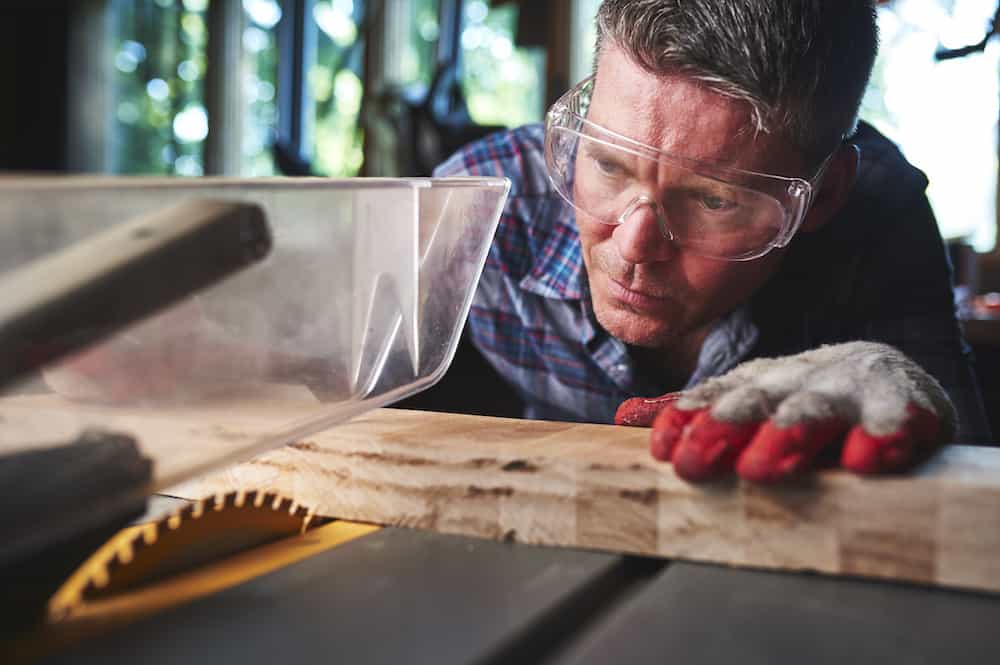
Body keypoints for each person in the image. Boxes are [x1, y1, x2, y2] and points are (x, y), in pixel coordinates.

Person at [433, 0, 993, 482]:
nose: (634, 245)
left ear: (822, 196)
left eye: (712, 200)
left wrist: (911, 391)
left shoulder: (876, 212)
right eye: (607, 163)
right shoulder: (484, 207)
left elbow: (970, 500)